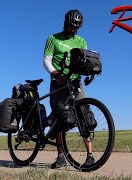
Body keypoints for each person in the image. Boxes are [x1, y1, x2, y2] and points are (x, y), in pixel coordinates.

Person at [43, 9, 95, 169]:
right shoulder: (53, 38)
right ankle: (60, 157)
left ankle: (90, 156)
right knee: (61, 118)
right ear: (65, 23)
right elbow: (46, 60)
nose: (73, 30)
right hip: (58, 82)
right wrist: (56, 74)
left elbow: (84, 60)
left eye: (76, 28)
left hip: (75, 82)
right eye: (70, 26)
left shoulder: (81, 41)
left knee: (84, 115)